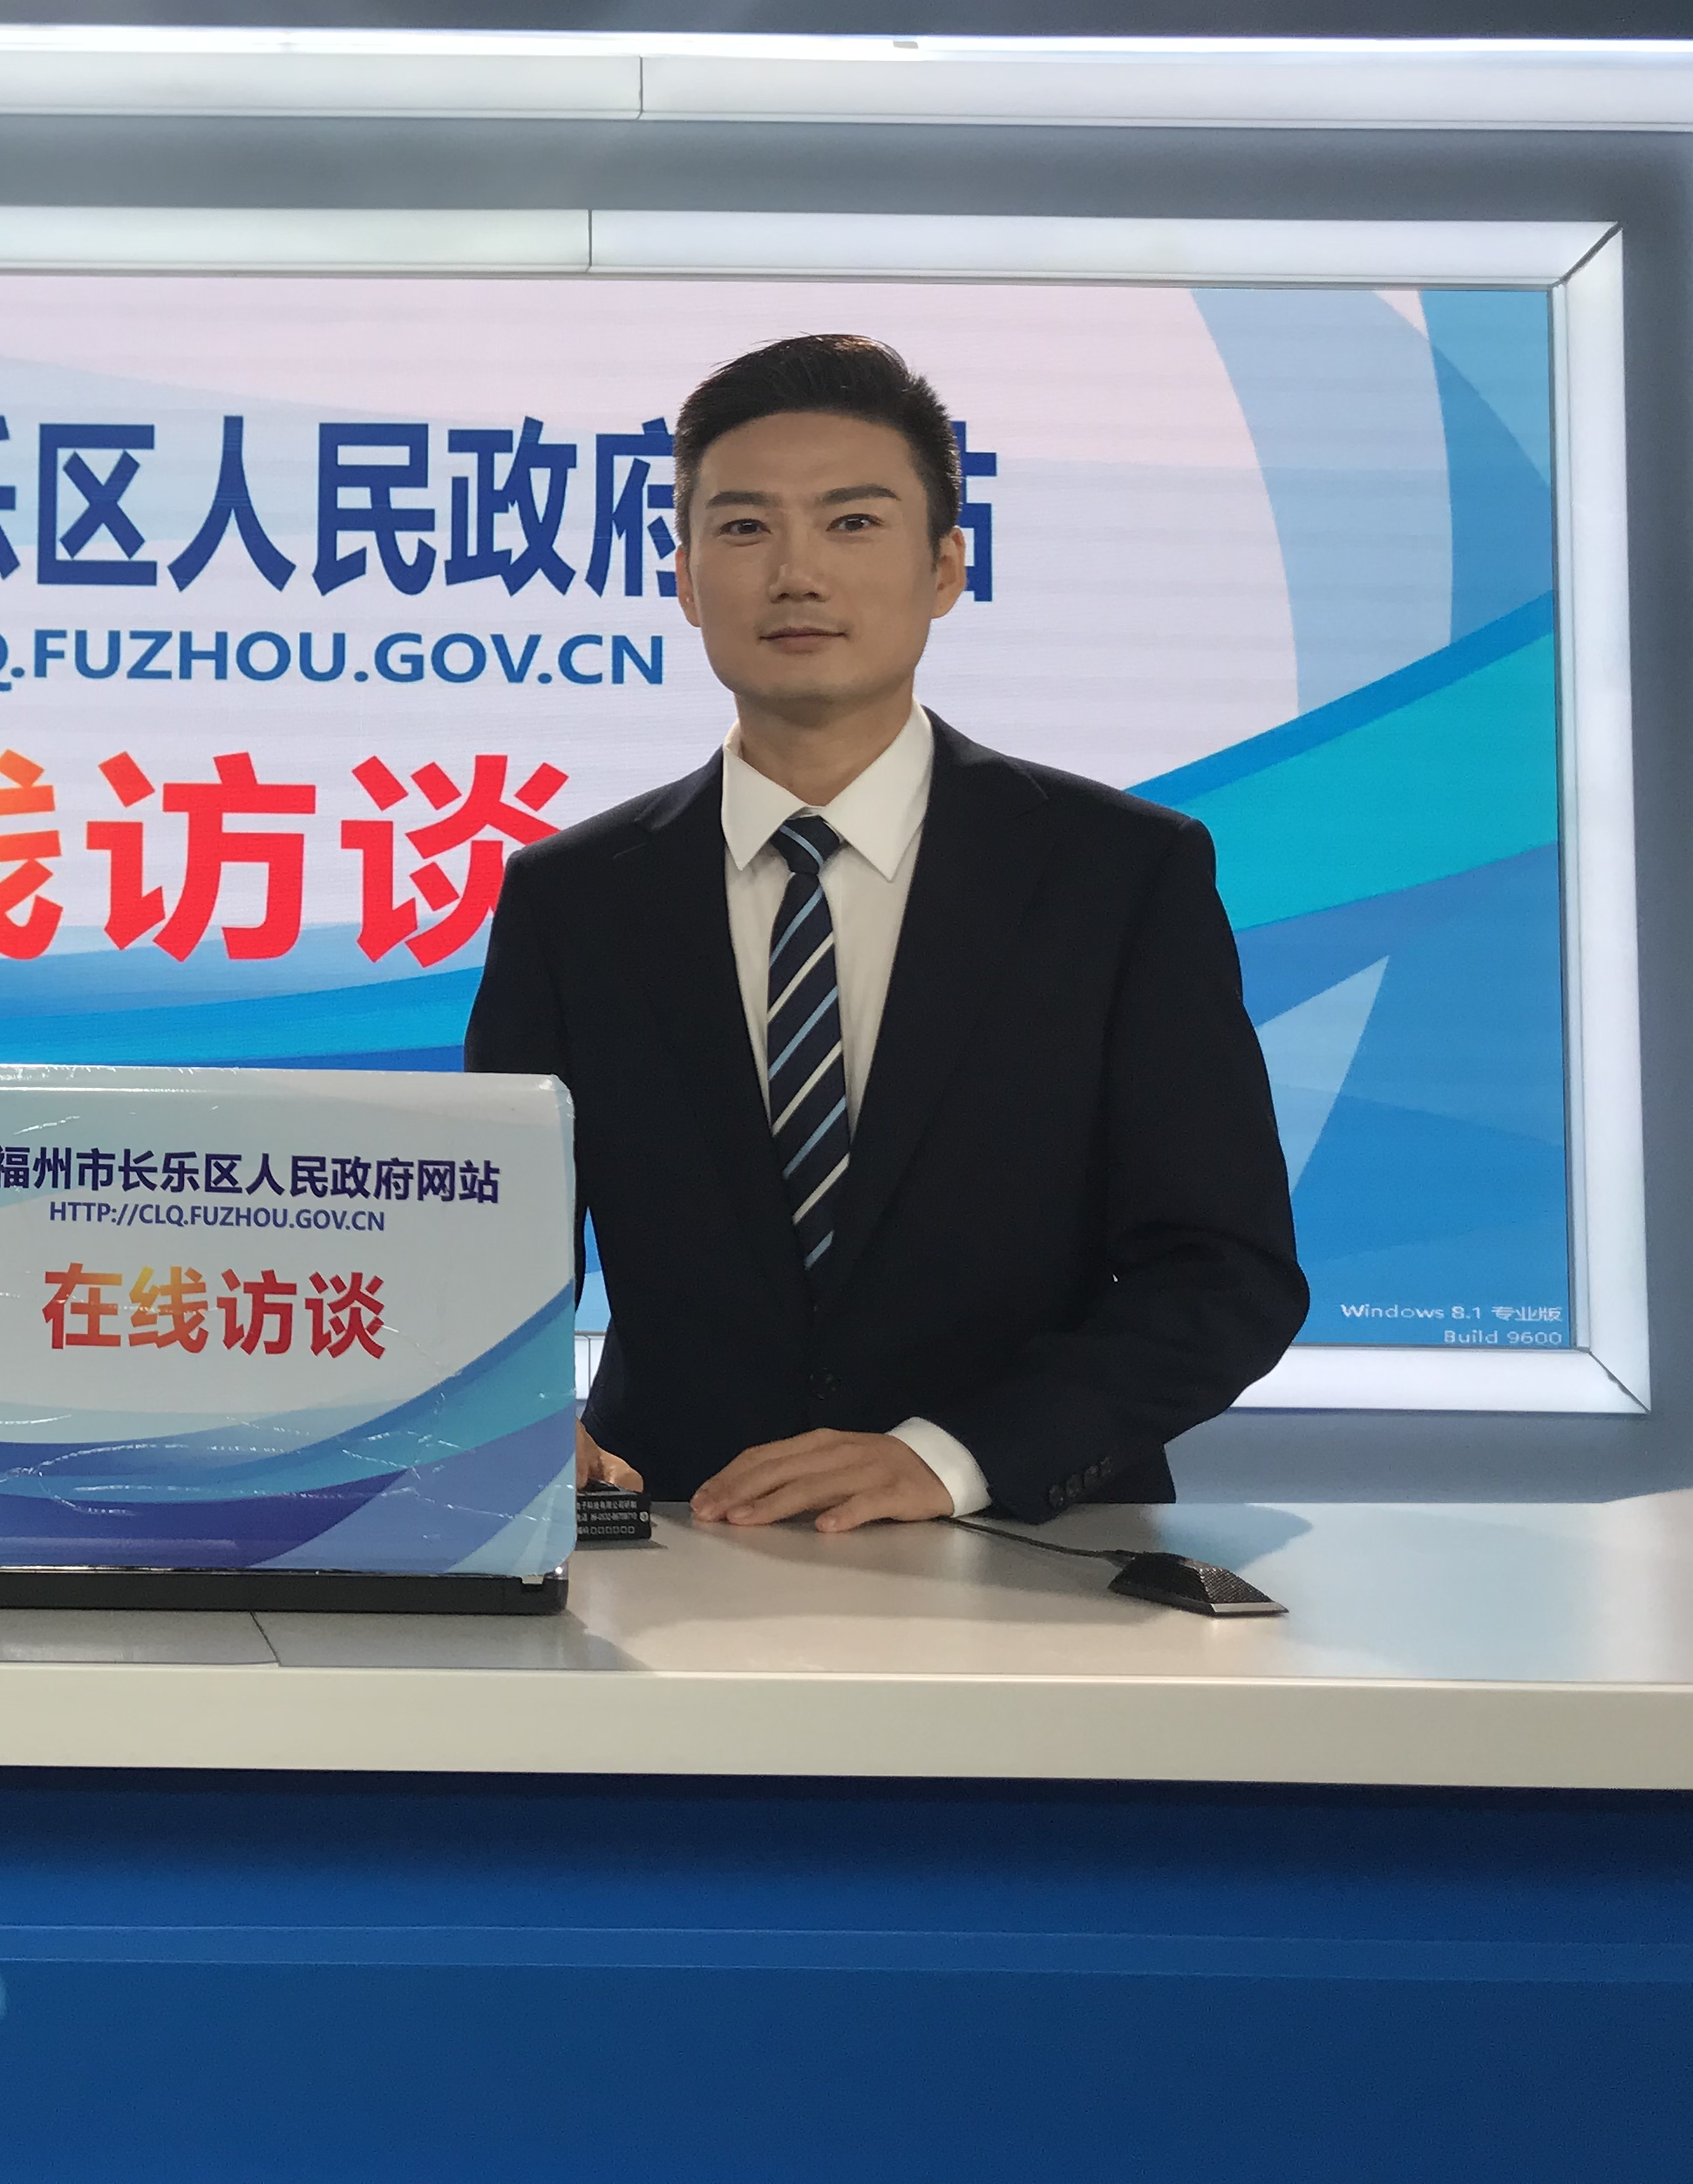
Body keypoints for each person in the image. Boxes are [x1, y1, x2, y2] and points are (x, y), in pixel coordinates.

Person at [466, 333, 1304, 1531]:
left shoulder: (1119, 875)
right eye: (745, 527)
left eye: (853, 523)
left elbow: (1225, 1272)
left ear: (947, 566)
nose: (797, 573)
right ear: (686, 580)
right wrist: (515, 1421)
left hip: (1026, 1552)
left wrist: (954, 1457)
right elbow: (497, 1251)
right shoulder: (574, 898)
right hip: (677, 1537)